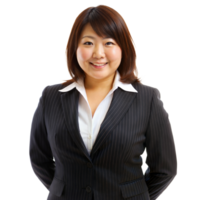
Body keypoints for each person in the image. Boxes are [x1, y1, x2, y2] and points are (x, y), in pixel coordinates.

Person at [29, 4, 177, 200]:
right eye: (88, 43)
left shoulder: (146, 99)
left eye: (109, 43)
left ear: (123, 48)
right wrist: (63, 191)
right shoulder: (52, 97)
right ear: (75, 48)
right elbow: (39, 159)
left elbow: (165, 170)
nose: (98, 53)